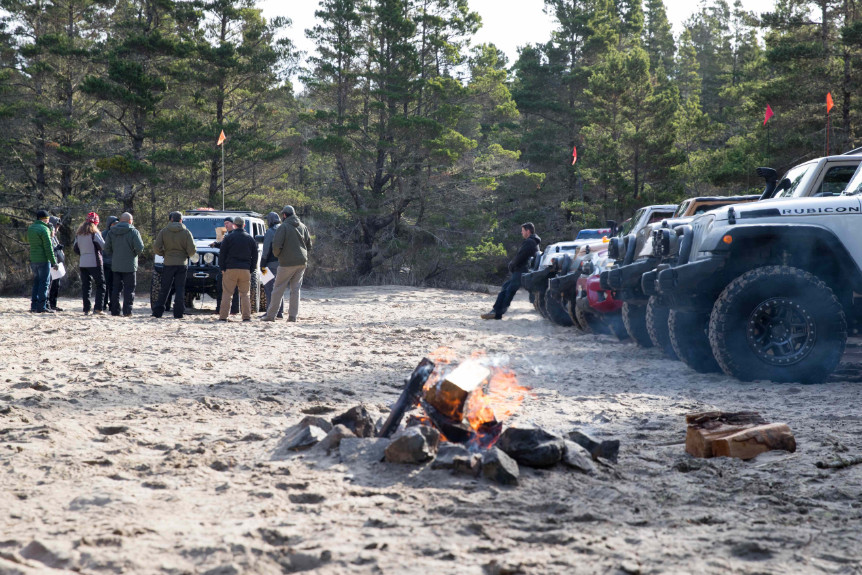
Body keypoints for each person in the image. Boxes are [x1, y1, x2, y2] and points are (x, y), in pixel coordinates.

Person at [262, 206, 312, 323]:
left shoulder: (283, 227)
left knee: (278, 288)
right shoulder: (303, 226)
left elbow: (276, 245)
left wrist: (278, 255)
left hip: (286, 263)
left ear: (284, 215)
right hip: (301, 262)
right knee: (295, 290)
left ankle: (271, 315)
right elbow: (309, 245)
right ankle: (292, 317)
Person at [481, 222, 541, 320]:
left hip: (523, 271)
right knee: (506, 287)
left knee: (509, 290)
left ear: (528, 231)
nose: (521, 233)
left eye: (522, 231)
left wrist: (512, 266)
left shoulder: (530, 242)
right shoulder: (533, 242)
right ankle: (496, 311)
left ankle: (497, 312)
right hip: (524, 271)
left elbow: (520, 257)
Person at [152, 211, 196, 319]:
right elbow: (192, 249)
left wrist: (164, 254)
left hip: (168, 263)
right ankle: (178, 313)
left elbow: (156, 247)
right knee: (180, 288)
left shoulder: (164, 231)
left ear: (171, 219)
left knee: (165, 288)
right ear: (181, 220)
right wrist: (186, 256)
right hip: (182, 264)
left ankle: (158, 312)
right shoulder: (186, 232)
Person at [217, 216, 257, 321]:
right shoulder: (250, 239)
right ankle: (246, 317)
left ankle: (223, 317)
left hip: (230, 269)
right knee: (245, 294)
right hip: (245, 269)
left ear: (234, 225)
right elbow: (255, 256)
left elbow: (222, 254)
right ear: (244, 225)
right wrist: (251, 269)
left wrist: (222, 268)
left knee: (227, 294)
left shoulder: (228, 238)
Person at [104, 212, 144, 317]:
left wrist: (115, 254)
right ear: (130, 221)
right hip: (130, 265)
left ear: (120, 220)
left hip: (116, 265)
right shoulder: (133, 231)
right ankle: (127, 311)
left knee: (115, 289)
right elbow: (140, 248)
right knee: (129, 289)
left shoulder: (111, 231)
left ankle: (115, 311)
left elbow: (106, 248)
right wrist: (133, 254)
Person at [73, 212, 106, 315]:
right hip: (95, 262)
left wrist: (83, 254)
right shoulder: (94, 233)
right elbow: (102, 246)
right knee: (101, 285)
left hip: (83, 263)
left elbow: (75, 248)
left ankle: (86, 309)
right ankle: (98, 309)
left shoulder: (79, 234)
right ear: (96, 222)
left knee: (86, 286)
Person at [27, 210, 58, 313]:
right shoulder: (44, 229)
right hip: (44, 259)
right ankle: (42, 306)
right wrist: (54, 262)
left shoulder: (31, 228)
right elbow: (48, 247)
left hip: (33, 259)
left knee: (36, 282)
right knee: (44, 283)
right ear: (45, 219)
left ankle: (34, 306)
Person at [212, 216, 240, 315]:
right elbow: (225, 246)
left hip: (232, 265)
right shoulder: (227, 235)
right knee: (220, 288)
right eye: (224, 224)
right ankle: (220, 308)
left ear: (233, 224)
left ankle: (234, 309)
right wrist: (216, 244)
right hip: (226, 265)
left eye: (227, 223)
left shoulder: (235, 235)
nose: (225, 225)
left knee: (235, 290)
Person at [260, 211, 283, 319]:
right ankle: (279, 311)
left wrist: (262, 264)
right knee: (279, 288)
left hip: (269, 263)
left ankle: (270, 311)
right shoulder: (283, 229)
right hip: (282, 263)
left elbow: (266, 250)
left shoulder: (270, 231)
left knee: (269, 288)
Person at [47, 216, 65, 311]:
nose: (58, 228)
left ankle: (53, 304)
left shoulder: (55, 237)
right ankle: (48, 304)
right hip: (51, 264)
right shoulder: (48, 236)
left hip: (57, 264)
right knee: (50, 284)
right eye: (57, 226)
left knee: (56, 285)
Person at [101, 215, 119, 311]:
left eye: (117, 223)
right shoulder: (103, 234)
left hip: (115, 263)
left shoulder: (117, 234)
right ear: (109, 224)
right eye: (113, 223)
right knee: (105, 285)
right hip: (105, 263)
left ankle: (112, 304)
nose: (115, 225)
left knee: (113, 285)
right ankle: (103, 304)